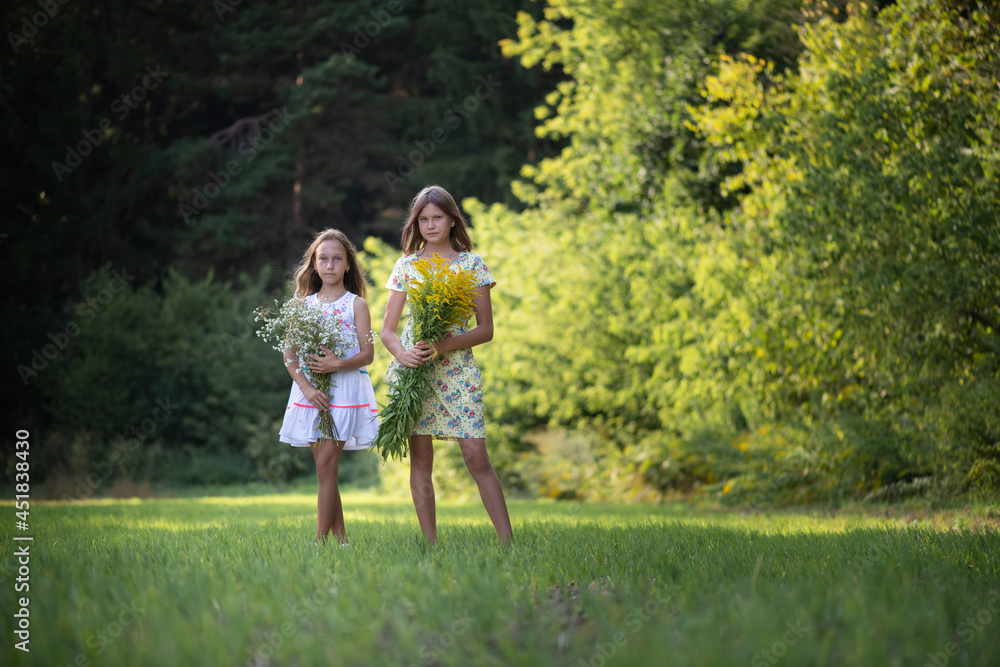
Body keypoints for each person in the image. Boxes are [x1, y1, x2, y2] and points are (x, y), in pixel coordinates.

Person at [380, 185, 513, 546]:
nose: (430, 225)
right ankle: (431, 545)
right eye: (423, 219)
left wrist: (444, 345)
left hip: (458, 370)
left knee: (476, 455)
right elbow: (387, 331)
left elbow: (486, 330)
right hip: (415, 369)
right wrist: (404, 355)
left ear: (452, 220)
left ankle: (507, 543)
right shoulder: (406, 265)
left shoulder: (472, 264)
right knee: (421, 459)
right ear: (416, 224)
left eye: (437, 217)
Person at [278, 229, 379, 546]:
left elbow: (368, 354)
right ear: (314, 263)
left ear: (348, 264)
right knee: (326, 470)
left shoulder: (357, 305)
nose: (330, 264)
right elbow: (289, 356)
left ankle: (319, 541)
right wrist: (307, 387)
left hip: (346, 390)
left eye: (338, 259)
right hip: (311, 393)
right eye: (324, 258)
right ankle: (343, 540)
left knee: (326, 462)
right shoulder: (301, 306)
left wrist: (337, 364)